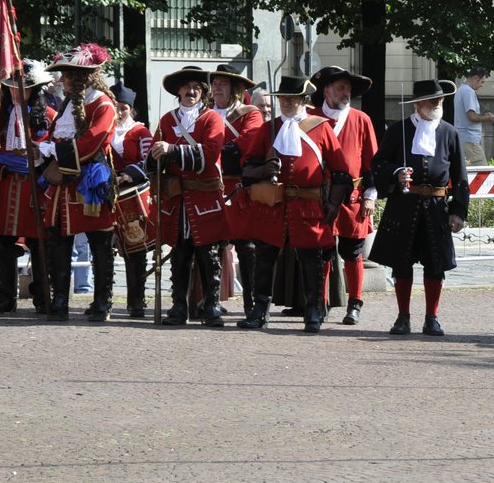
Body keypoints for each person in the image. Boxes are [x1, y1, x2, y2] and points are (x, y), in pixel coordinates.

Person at [229, 74, 352, 333]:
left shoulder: (321, 127)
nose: (286, 102)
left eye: (292, 98)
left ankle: (313, 310)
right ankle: (260, 310)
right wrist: (264, 168)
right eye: (283, 98)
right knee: (264, 259)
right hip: (272, 207)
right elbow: (247, 169)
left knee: (311, 261)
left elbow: (340, 172)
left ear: (303, 100)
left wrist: (333, 206)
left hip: (308, 206)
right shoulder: (267, 129)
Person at [370, 78, 471, 335]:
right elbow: (378, 164)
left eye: (440, 99)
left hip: (437, 208)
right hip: (404, 206)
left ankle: (432, 317)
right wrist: (395, 172)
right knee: (401, 264)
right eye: (432, 99)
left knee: (435, 264)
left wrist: (459, 211)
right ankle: (403, 317)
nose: (438, 103)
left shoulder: (449, 132)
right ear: (418, 104)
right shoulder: (398, 131)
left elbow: (460, 177)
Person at [38, 44, 118, 321]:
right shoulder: (65, 106)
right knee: (58, 242)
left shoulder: (103, 103)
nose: (62, 81)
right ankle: (59, 300)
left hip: (89, 183)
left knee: (100, 243)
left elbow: (93, 140)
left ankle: (102, 302)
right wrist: (42, 147)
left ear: (82, 77)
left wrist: (56, 153)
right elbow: (53, 136)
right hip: (62, 185)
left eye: (67, 76)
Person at [149, 66, 228, 326]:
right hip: (178, 198)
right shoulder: (166, 120)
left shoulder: (212, 119)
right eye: (186, 87)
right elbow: (153, 161)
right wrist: (155, 157)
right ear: (178, 91)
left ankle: (211, 306)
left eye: (196, 87)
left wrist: (170, 149)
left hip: (204, 197)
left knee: (208, 254)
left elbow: (209, 155)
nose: (191, 91)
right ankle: (179, 306)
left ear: (202, 92)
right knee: (180, 253)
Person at [0, 59, 54, 314]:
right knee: (2, 244)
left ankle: (43, 296)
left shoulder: (51, 117)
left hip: (35, 186)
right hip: (4, 184)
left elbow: (54, 152)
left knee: (40, 243)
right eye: (12, 87)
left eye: (24, 88)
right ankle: (6, 297)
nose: (17, 92)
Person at [309, 66, 379, 325]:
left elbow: (372, 163)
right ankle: (321, 302)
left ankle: (355, 304)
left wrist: (370, 195)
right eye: (341, 88)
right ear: (327, 91)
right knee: (322, 252)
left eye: (348, 89)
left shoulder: (361, 120)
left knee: (353, 252)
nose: (346, 93)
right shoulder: (311, 118)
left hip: (353, 198)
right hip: (320, 196)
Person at [209, 63, 264, 318]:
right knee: (208, 245)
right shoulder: (203, 114)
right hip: (208, 188)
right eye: (214, 83)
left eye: (222, 83)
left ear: (235, 88)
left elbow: (247, 143)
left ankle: (251, 304)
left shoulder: (250, 114)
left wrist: (207, 154)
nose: (216, 88)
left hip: (237, 187)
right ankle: (209, 301)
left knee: (246, 245)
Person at [109, 83, 154, 317]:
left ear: (131, 109)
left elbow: (149, 163)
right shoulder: (103, 129)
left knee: (135, 250)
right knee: (105, 248)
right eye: (115, 107)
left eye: (123, 108)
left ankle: (136, 301)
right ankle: (104, 300)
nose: (118, 111)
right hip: (107, 195)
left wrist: (128, 174)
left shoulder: (141, 132)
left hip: (132, 196)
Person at [456, 66, 494, 168]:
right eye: (482, 82)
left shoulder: (461, 89)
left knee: (468, 172)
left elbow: (470, 115)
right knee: (482, 171)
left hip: (463, 138)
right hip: (470, 140)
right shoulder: (469, 92)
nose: (482, 85)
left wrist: (483, 116)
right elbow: (472, 117)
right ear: (475, 78)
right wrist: (487, 118)